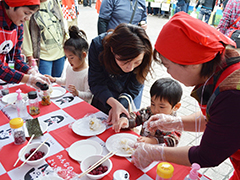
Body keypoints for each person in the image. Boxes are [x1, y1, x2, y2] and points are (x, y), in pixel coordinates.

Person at [131, 12, 240, 180]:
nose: (167, 72)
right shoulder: (222, 65)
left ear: (193, 63)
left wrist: (155, 152)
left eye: (168, 66)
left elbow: (208, 155)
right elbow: (217, 121)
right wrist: (176, 122)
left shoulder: (232, 95)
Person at [88, 23, 153, 124]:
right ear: (112, 50)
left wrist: (120, 105)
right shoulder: (98, 46)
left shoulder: (145, 53)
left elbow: (134, 87)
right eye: (125, 62)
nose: (130, 68)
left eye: (136, 62)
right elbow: (96, 81)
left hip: (126, 96)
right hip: (104, 94)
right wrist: (113, 103)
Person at [112, 78, 182, 147]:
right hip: (141, 147)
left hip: (159, 154)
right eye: (153, 104)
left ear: (176, 106)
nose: (155, 110)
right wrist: (126, 121)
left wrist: (153, 141)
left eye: (161, 107)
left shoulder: (176, 123)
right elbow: (137, 117)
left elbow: (172, 141)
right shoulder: (148, 112)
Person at [0, 0, 50, 89]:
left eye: (31, 14)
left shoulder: (18, 24)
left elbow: (16, 58)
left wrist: (31, 72)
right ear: (12, 5)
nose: (28, 18)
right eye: (26, 13)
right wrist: (29, 79)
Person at [46, 26, 92, 103]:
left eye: (71, 58)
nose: (69, 61)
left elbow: (89, 95)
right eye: (67, 57)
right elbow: (67, 81)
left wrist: (78, 93)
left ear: (83, 55)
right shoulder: (70, 67)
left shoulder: (87, 73)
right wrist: (55, 80)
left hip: (81, 105)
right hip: (68, 102)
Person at [22, 0, 67, 78]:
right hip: (43, 56)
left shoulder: (54, 2)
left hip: (60, 52)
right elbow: (25, 33)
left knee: (58, 84)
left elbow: (61, 20)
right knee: (45, 85)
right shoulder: (30, 5)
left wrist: (66, 39)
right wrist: (29, 56)